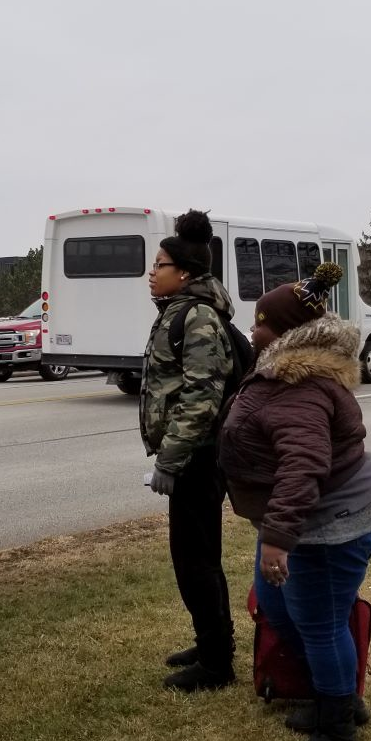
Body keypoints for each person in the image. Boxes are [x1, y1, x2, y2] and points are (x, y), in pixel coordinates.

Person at [218, 262, 371, 741]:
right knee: (278, 608)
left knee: (320, 621)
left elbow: (304, 465)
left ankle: (338, 727)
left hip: (334, 521)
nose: (252, 330)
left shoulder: (298, 386)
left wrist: (277, 538)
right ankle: (336, 696)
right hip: (301, 519)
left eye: (261, 322)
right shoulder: (276, 373)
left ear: (286, 334)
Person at [139, 209, 237, 692]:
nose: (151, 273)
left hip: (198, 458)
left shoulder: (196, 317)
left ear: (185, 274)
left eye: (159, 264)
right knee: (201, 556)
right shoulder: (180, 312)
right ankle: (213, 640)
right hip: (193, 456)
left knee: (194, 559)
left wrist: (169, 461)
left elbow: (202, 397)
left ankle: (217, 663)